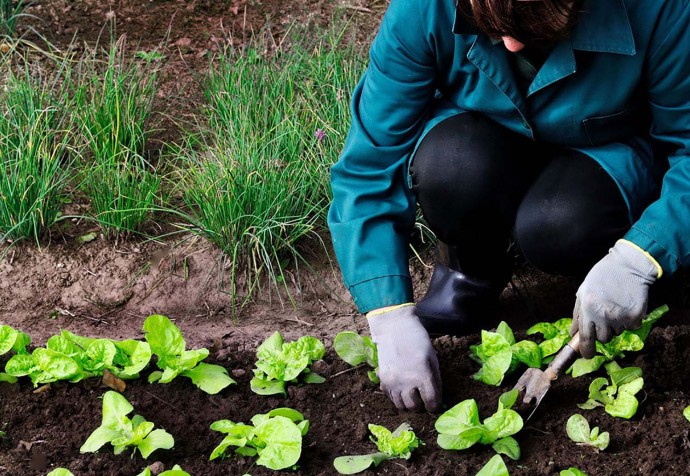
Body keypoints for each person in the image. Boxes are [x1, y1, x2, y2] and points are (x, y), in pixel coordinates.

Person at [327, 0, 690, 413]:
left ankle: (622, 279)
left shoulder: (661, 8)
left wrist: (643, 255)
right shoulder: (425, 8)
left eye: (533, 31)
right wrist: (386, 311)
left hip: (606, 150)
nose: (513, 46)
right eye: (494, 28)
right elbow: (369, 163)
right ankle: (471, 274)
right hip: (487, 137)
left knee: (558, 224)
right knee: (451, 169)